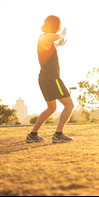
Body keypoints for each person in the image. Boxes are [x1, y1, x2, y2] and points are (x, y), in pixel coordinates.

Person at [26, 15, 74, 143]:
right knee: (69, 105)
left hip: (44, 78)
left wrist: (58, 45)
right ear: (55, 25)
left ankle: (33, 134)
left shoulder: (45, 40)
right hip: (53, 79)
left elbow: (50, 46)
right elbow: (54, 37)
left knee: (51, 108)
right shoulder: (44, 37)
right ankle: (58, 134)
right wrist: (61, 36)